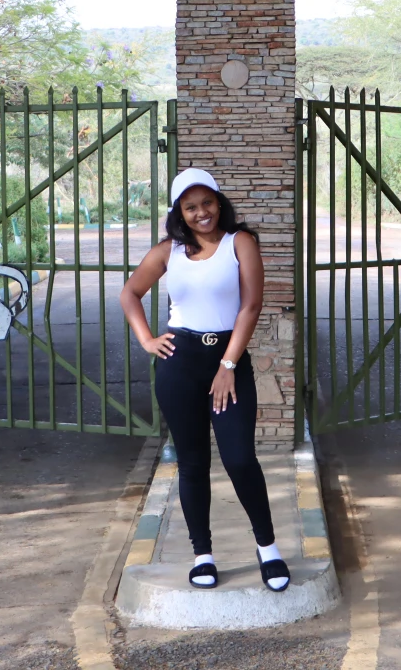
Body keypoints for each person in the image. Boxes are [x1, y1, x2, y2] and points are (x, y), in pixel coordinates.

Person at [119, 168, 290, 592]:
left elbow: (251, 307)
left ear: (219, 202)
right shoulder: (168, 252)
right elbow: (129, 293)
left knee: (239, 459)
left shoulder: (240, 243)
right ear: (179, 211)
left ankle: (267, 548)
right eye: (191, 207)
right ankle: (203, 555)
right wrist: (146, 339)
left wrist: (228, 366)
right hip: (179, 362)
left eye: (207, 203)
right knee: (192, 462)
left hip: (227, 360)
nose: (202, 213)